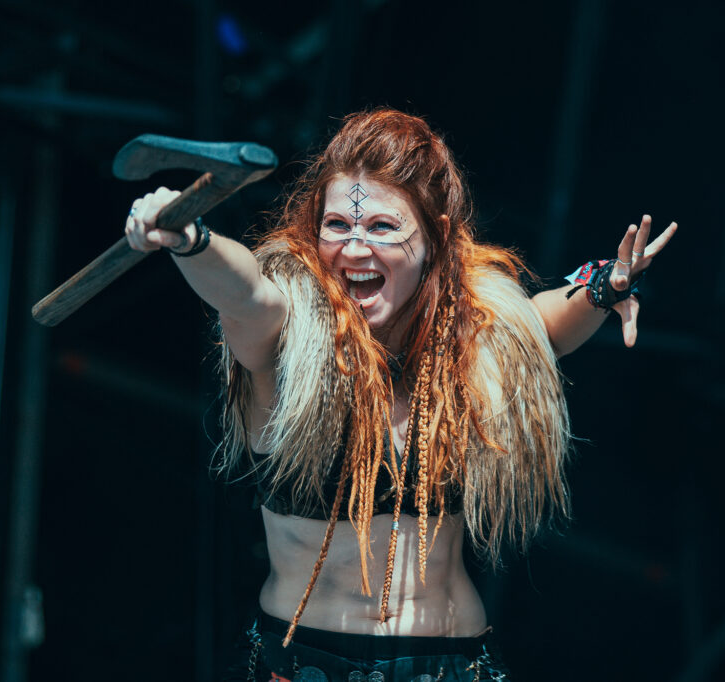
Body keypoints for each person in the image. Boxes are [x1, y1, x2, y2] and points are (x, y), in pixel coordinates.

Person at [125, 109, 676, 681]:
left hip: (447, 661)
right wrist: (190, 239)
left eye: (383, 227)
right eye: (337, 225)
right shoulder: (282, 339)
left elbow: (540, 324)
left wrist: (607, 285)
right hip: (305, 661)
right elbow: (246, 293)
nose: (354, 248)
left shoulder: (471, 346)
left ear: (434, 238)